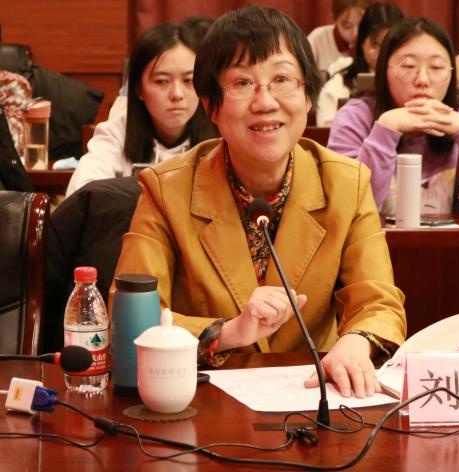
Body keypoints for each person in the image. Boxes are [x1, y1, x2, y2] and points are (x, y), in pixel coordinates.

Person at [113, 5, 406, 398]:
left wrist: (355, 343)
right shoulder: (167, 190)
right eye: (242, 82)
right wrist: (229, 332)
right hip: (199, 402)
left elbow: (379, 304)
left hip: (313, 398)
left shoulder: (346, 184)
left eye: (282, 79)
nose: (265, 102)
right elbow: (134, 320)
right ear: (210, 105)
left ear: (308, 95)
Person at [327, 17, 459, 215]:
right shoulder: (354, 118)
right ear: (384, 70)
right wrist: (386, 130)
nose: (423, 80)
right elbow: (347, 206)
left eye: (437, 67)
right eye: (408, 66)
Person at [65, 22, 218, 197]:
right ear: (138, 89)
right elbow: (82, 194)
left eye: (188, 80)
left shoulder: (221, 132)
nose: (177, 94)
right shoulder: (116, 133)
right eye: (162, 81)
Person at [316, 2, 404, 127]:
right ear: (362, 43)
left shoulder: (416, 83)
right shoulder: (339, 86)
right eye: (376, 45)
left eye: (390, 46)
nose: (383, 53)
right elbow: (326, 132)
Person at [307, 0, 370, 77]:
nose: (355, 33)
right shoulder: (319, 38)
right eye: (347, 26)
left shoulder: (372, 41)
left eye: (361, 26)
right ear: (334, 19)